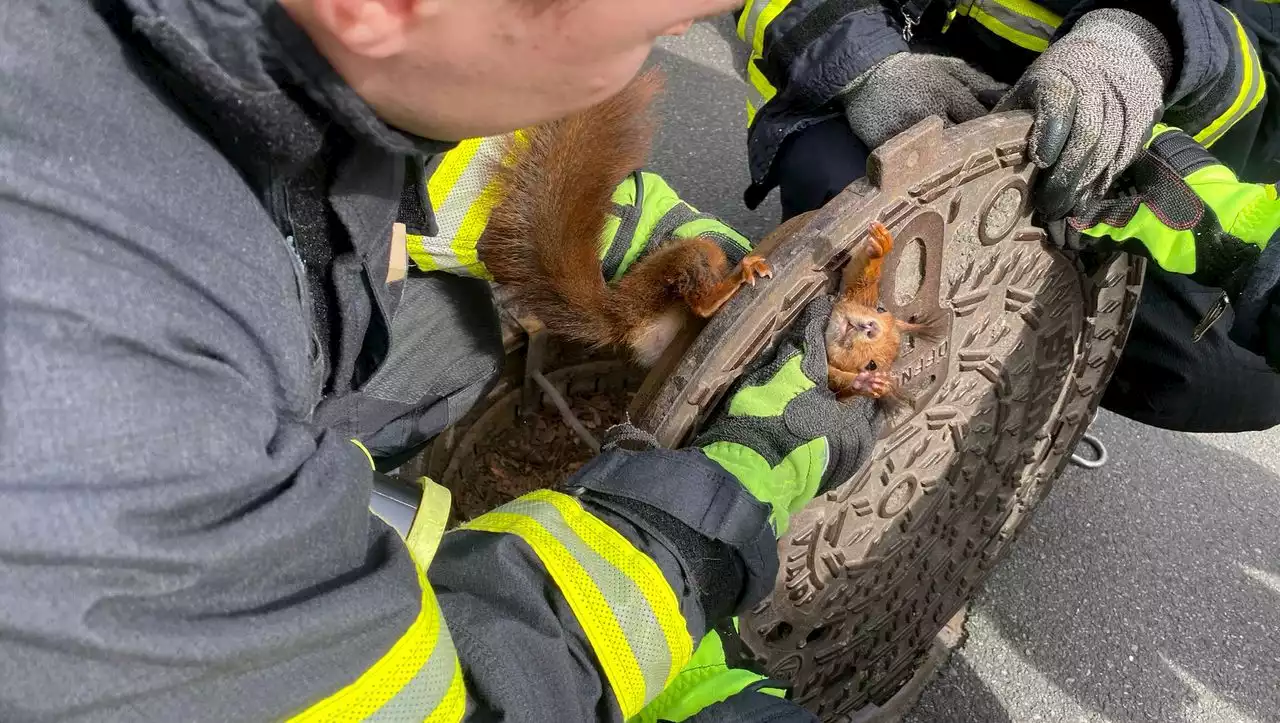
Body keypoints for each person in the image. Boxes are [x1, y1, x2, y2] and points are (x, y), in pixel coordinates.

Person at [0, 0, 875, 721]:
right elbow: (451, 703)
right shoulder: (89, 401)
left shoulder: (241, 46)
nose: (695, 26)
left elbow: (440, 149)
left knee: (454, 336)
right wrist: (707, 511)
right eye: (644, 24)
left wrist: (642, 249)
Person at [739, 0, 1280, 432]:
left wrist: (1147, 40)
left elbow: (1262, 58)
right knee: (864, 226)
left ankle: (1001, 383)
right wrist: (863, 70)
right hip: (883, 83)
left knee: (1217, 375)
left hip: (1077, 112)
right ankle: (809, 402)